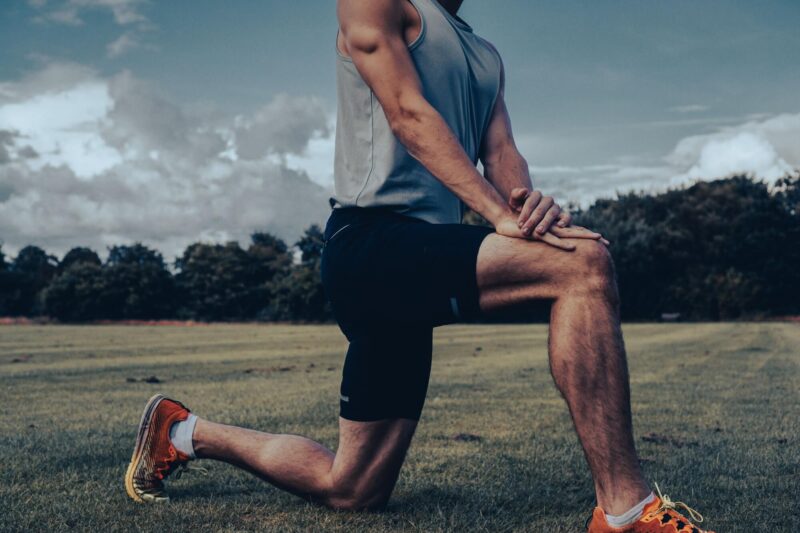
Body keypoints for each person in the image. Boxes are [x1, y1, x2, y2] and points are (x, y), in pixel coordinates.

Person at [124, 1, 716, 531]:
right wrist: (494, 215)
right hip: (370, 246)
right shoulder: (376, 3)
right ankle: (625, 513)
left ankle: (180, 431)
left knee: (352, 490)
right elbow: (407, 113)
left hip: (418, 257)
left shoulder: (485, 55)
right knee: (584, 263)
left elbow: (502, 150)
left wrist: (524, 210)